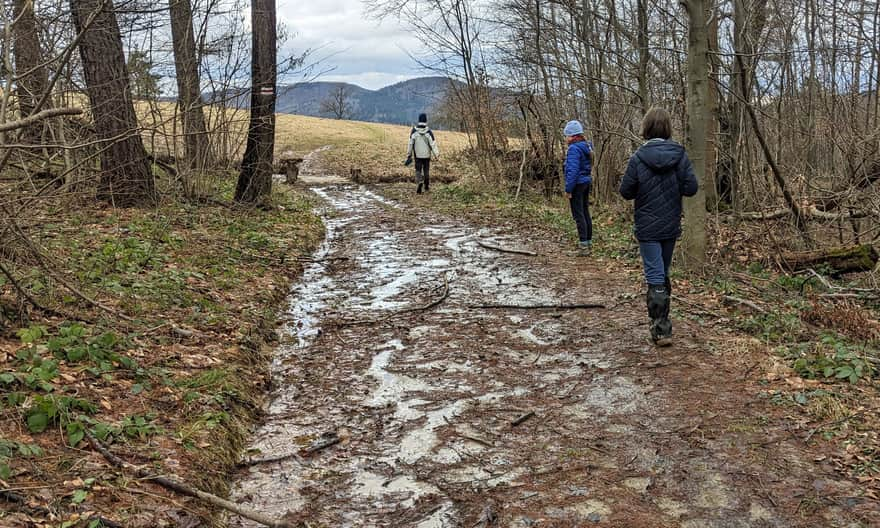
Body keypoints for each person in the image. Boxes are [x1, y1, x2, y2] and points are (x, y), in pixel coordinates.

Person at [619, 107, 698, 347]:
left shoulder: (637, 158)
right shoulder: (680, 156)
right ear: (667, 128)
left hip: (647, 226)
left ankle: (661, 328)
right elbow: (691, 188)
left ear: (646, 128)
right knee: (662, 273)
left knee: (655, 276)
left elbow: (625, 191)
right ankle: (662, 323)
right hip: (670, 225)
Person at [563, 120, 594, 255]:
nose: (566, 138)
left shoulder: (574, 149)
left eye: (567, 135)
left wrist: (569, 189)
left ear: (573, 136)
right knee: (585, 212)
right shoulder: (586, 146)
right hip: (586, 182)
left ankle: (583, 247)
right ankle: (587, 242)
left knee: (578, 214)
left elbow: (573, 171)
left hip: (577, 184)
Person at [406, 113, 439, 194]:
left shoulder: (414, 131)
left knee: (418, 170)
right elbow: (433, 144)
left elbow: (410, 143)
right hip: (427, 155)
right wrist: (437, 155)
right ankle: (426, 186)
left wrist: (409, 154)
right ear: (426, 120)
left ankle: (420, 182)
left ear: (419, 120)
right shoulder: (429, 131)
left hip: (417, 155)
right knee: (426, 170)